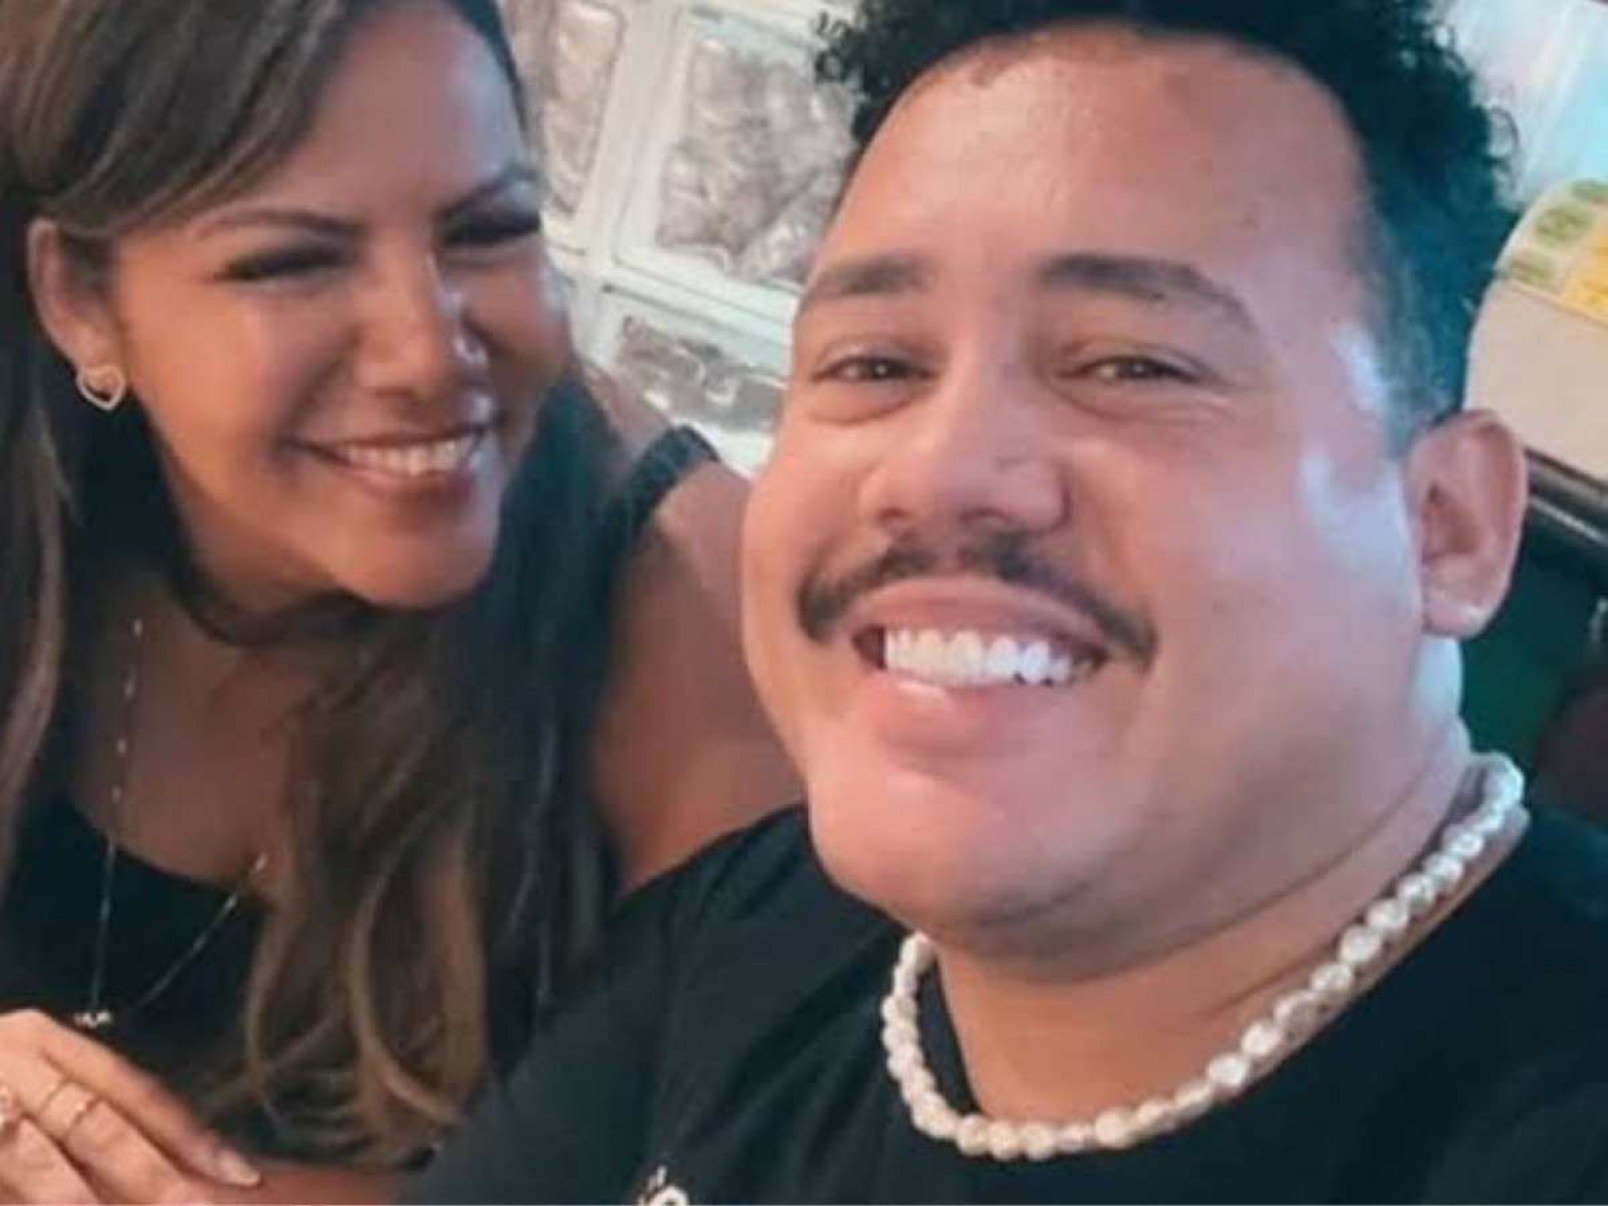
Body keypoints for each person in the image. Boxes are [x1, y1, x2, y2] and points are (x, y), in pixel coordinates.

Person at [411, 0, 1608, 1201]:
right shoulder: (755, 934)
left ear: (1447, 526)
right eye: (875, 364)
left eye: (1133, 365)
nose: (933, 470)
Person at [0, 0, 794, 1201]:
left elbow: (722, 1168)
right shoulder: (38, 499)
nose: (426, 355)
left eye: (489, 231)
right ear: (79, 301)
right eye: (291, 262)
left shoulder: (687, 591)